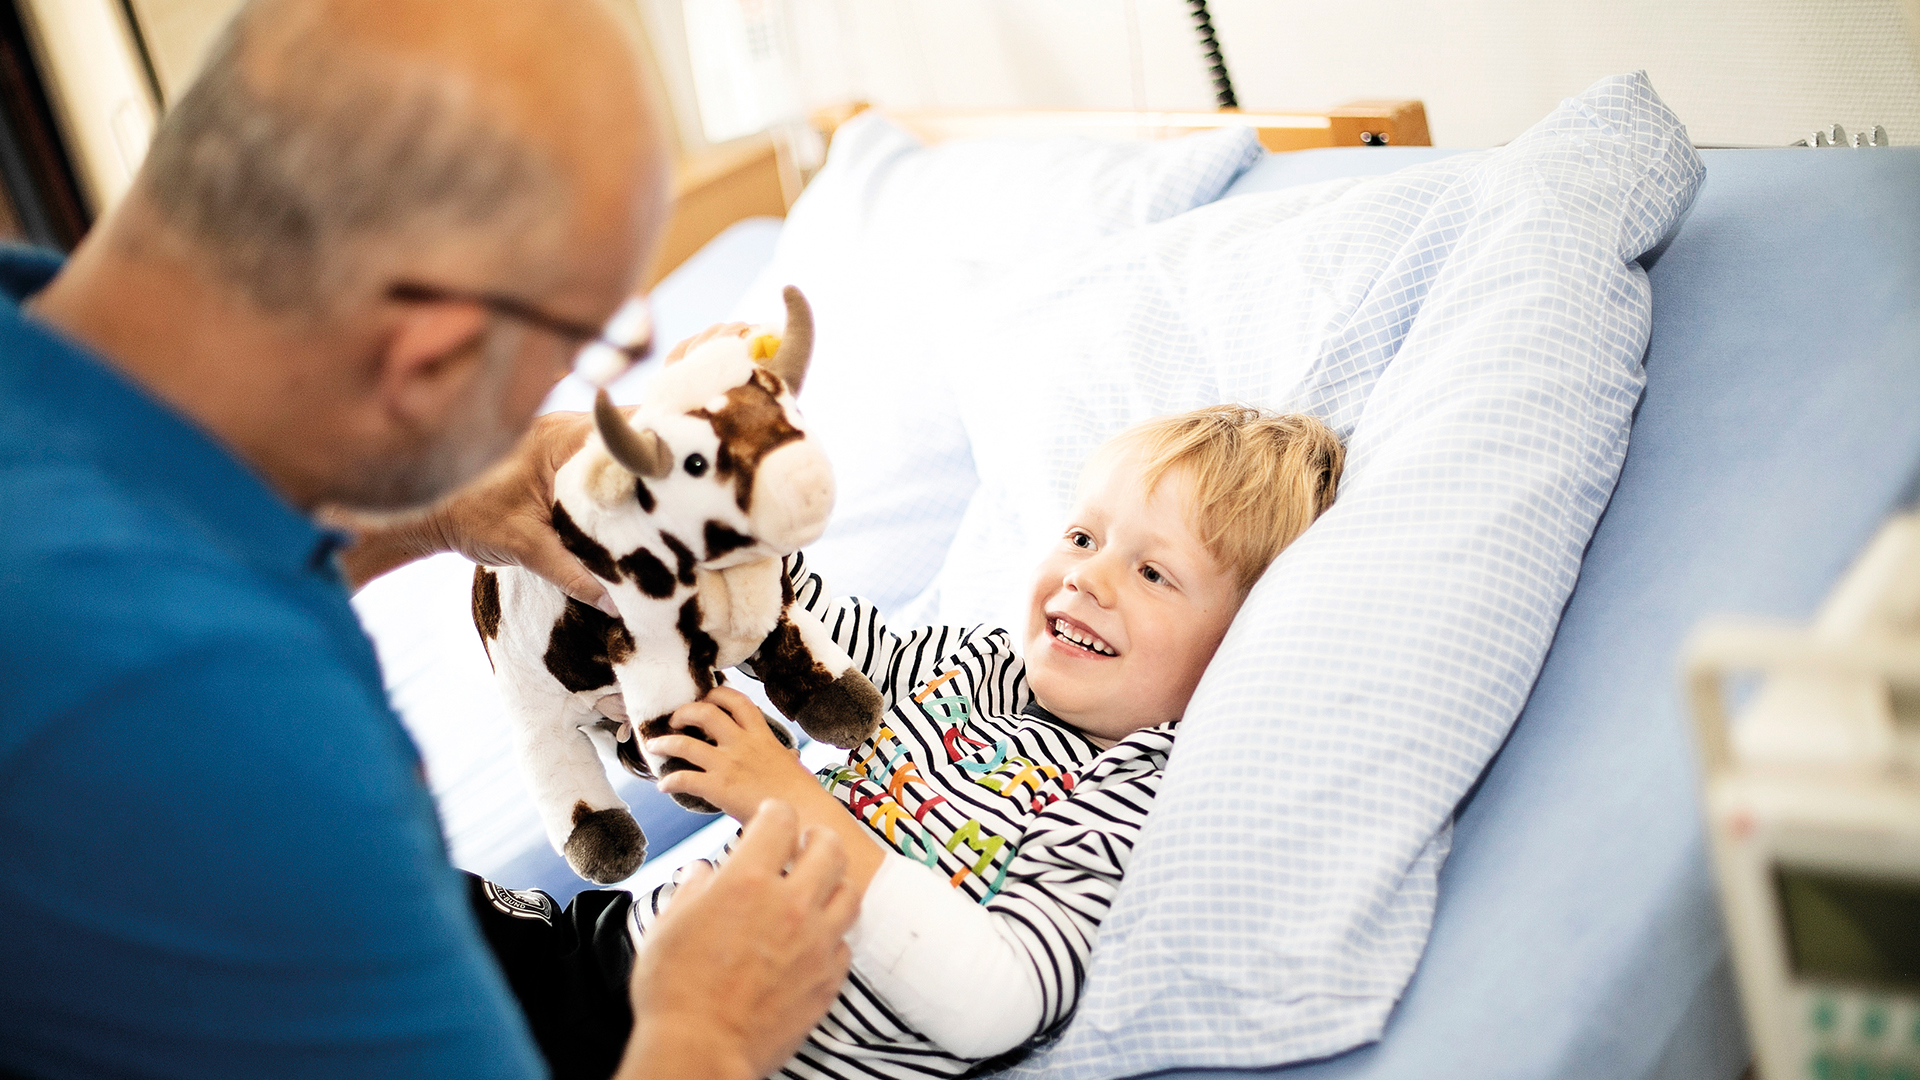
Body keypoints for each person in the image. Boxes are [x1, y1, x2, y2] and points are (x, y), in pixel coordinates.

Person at [0, 1, 857, 1078]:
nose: (572, 385)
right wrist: (705, 1033)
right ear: (431, 355)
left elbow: (188, 533)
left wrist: (438, 509)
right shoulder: (208, 707)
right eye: (593, 338)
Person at [637, 403, 1346, 1077]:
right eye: (1083, 539)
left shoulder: (1133, 792)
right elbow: (815, 636)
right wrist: (728, 543)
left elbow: (997, 1003)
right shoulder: (984, 664)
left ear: (1237, 645)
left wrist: (785, 798)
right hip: (635, 943)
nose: (1086, 577)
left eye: (1153, 573)